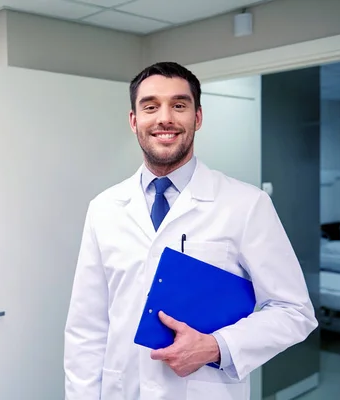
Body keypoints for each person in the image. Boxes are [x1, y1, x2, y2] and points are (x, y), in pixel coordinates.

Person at [63, 62, 318, 400]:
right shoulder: (104, 208)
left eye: (179, 105)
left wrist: (216, 346)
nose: (164, 118)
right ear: (133, 120)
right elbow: (87, 329)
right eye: (150, 106)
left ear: (197, 118)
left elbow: (294, 311)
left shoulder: (245, 204)